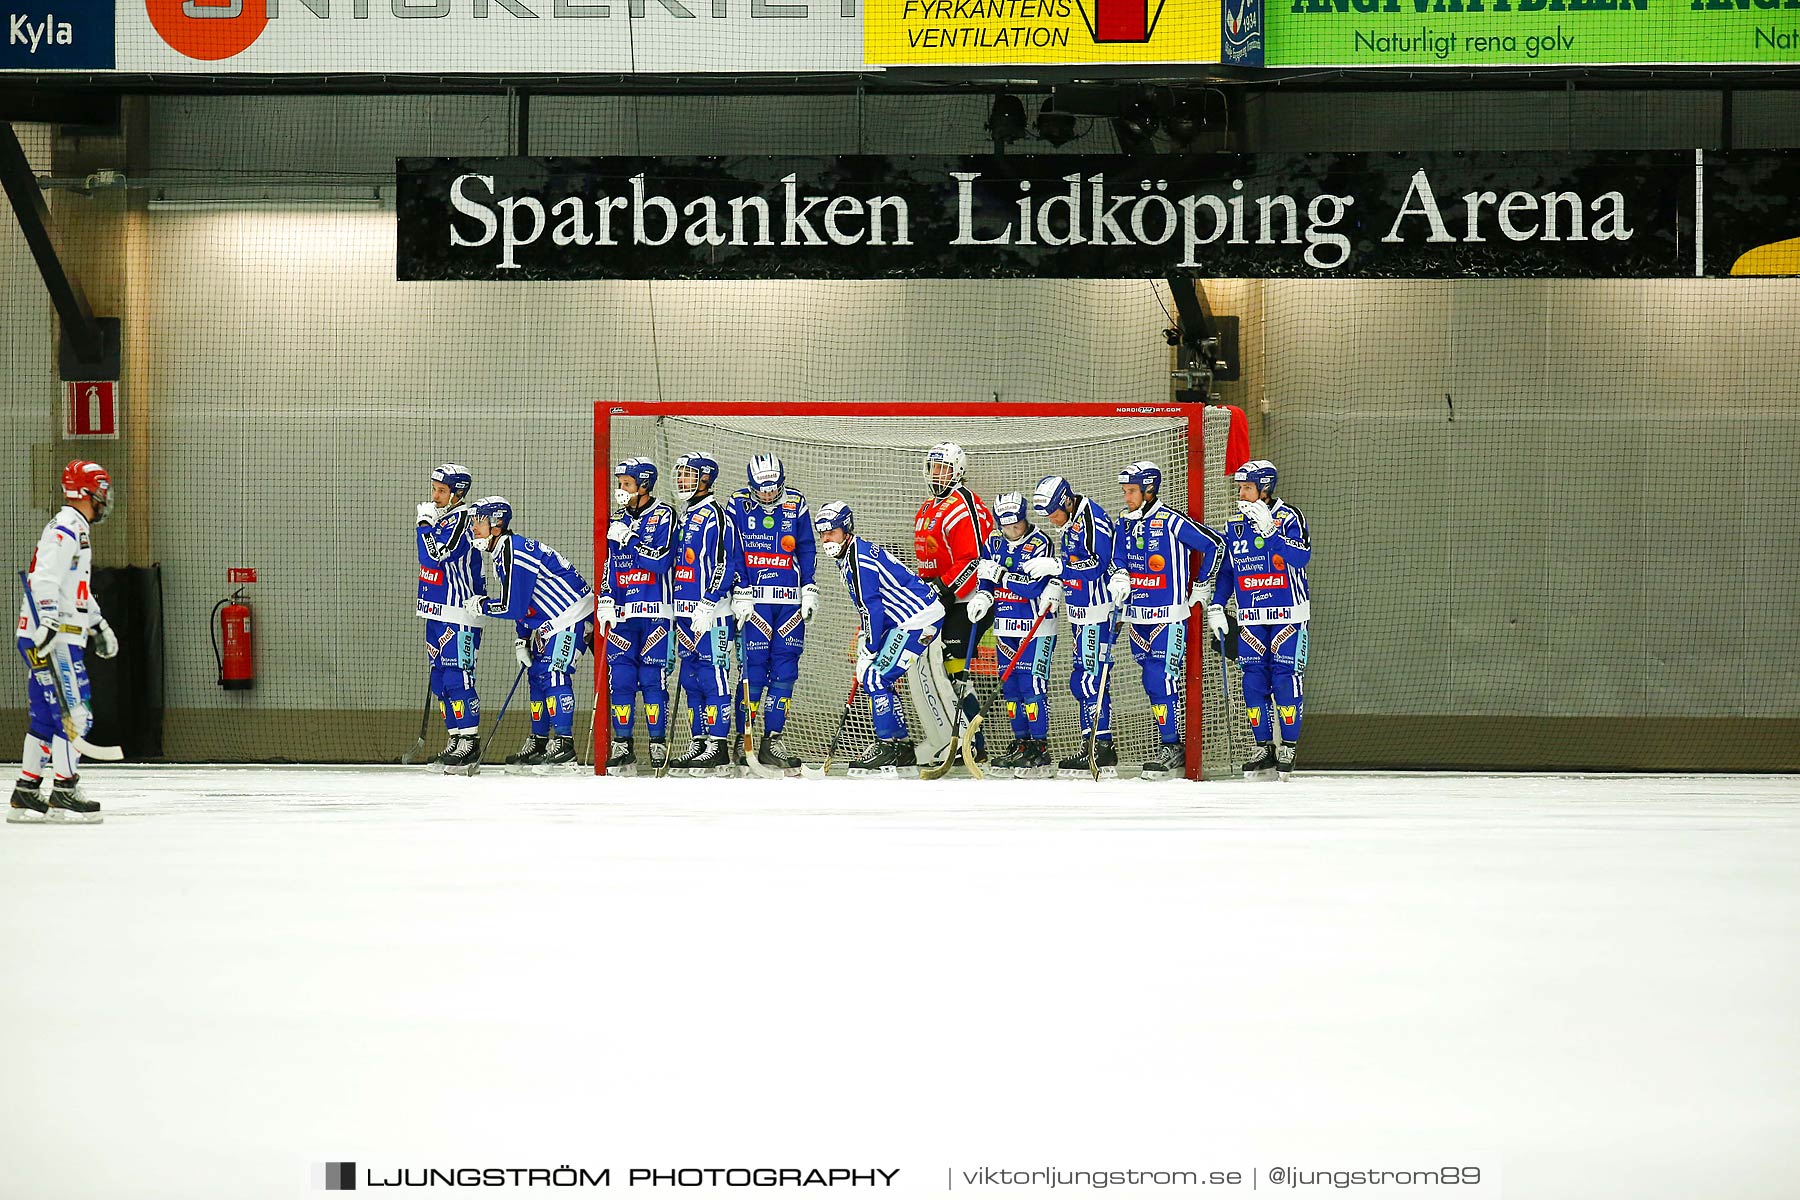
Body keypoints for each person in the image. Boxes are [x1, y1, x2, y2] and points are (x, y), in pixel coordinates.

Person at [1108, 461, 1225, 782]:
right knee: (1150, 682)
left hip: (1169, 616)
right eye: (1125, 491)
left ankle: (1173, 747)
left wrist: (1202, 584)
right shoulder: (1124, 521)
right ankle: (1168, 743)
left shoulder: (1172, 520)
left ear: (1149, 490)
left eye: (1132, 491)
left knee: (1163, 680)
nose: (1127, 497)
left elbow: (1215, 545)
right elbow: (1117, 555)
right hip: (1135, 616)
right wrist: (1118, 573)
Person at [12, 460, 115, 823]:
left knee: (44, 717)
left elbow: (76, 591)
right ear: (86, 492)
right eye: (101, 489)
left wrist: (98, 623)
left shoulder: (75, 528)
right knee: (76, 715)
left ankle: (26, 790)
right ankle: (64, 790)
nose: (105, 497)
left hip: (41, 634)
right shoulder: (67, 528)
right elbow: (45, 579)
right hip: (53, 640)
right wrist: (51, 622)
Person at [462, 497, 596, 774]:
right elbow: (525, 602)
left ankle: (565, 745)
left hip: (571, 614)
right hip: (551, 620)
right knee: (537, 676)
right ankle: (539, 741)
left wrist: (482, 604)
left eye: (479, 521)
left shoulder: (513, 551)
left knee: (555, 673)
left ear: (496, 524)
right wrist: (522, 639)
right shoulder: (503, 550)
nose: (474, 527)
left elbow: (513, 606)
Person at [815, 501, 946, 778]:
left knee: (875, 677)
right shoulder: (850, 554)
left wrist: (870, 650)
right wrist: (868, 638)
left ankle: (887, 747)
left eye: (832, 532)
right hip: (905, 621)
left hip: (917, 620)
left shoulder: (857, 559)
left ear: (846, 529)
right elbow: (874, 608)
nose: (827, 539)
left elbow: (873, 608)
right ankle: (900, 748)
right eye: (822, 534)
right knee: (879, 678)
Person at [1209, 459, 1312, 782]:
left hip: (1288, 614)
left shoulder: (1289, 516)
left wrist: (1271, 532)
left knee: (1284, 678)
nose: (1240, 493)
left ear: (1265, 490)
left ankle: (1288, 748)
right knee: (1252, 681)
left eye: (1247, 488)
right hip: (1251, 615)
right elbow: (1228, 570)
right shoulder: (1234, 523)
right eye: (1239, 487)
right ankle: (1263, 747)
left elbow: (1301, 557)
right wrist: (1215, 605)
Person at [727, 454, 817, 776]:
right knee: (752, 669)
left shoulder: (796, 502)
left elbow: (806, 548)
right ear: (751, 485)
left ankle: (772, 739)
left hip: (789, 601)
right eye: (762, 490)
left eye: (773, 489)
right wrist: (739, 589)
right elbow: (732, 550)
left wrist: (809, 586)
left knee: (785, 669)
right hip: (754, 601)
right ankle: (743, 738)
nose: (768, 495)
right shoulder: (736, 503)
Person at [1027, 475, 1120, 779]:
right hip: (1078, 611)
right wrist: (1056, 585)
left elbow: (1098, 564)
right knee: (1081, 679)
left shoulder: (1092, 517)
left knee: (1092, 679)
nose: (1053, 521)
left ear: (1066, 501)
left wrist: (1057, 568)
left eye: (1054, 513)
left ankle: (1101, 745)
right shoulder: (1069, 521)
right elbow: (1071, 561)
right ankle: (1089, 742)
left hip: (1098, 610)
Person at [911, 441, 995, 767]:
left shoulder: (964, 505)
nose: (937, 473)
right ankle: (956, 738)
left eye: (943, 467)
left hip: (969, 600)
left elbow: (973, 559)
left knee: (954, 670)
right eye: (933, 467)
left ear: (957, 470)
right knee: (944, 671)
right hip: (942, 601)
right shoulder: (929, 506)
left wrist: (945, 589)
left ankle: (972, 744)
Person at [598, 457, 676, 776]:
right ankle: (623, 745)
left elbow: (660, 561)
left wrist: (630, 539)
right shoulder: (617, 519)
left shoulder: (664, 514)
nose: (621, 490)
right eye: (619, 484)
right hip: (623, 614)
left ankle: (658, 744)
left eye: (626, 484)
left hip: (656, 611)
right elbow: (610, 565)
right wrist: (605, 598)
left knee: (652, 680)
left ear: (644, 485)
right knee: (622, 681)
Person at [973, 492, 1061, 779]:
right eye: (1006, 526)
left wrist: (1001, 577)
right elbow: (986, 576)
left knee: (1031, 686)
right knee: (1010, 689)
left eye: (1017, 524)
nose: (1013, 531)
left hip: (1036, 626)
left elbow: (1034, 588)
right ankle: (1021, 743)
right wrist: (983, 597)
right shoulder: (993, 542)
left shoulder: (1040, 543)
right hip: (1005, 625)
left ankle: (1040, 747)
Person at [666, 453, 738, 777]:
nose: (681, 480)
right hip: (683, 613)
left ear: (705, 478)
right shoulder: (684, 514)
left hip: (711, 614)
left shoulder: (716, 516)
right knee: (690, 679)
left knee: (714, 675)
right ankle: (699, 740)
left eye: (688, 474)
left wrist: (709, 602)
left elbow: (726, 563)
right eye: (679, 474)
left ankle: (719, 746)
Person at [415, 463, 486, 772]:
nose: (435, 496)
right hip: (435, 610)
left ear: (458, 493)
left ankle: (470, 741)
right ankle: (455, 738)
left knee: (458, 677)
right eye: (434, 489)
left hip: (460, 612)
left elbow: (435, 555)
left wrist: (424, 527)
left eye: (442, 491)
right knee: (440, 680)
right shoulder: (442, 518)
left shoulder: (463, 520)